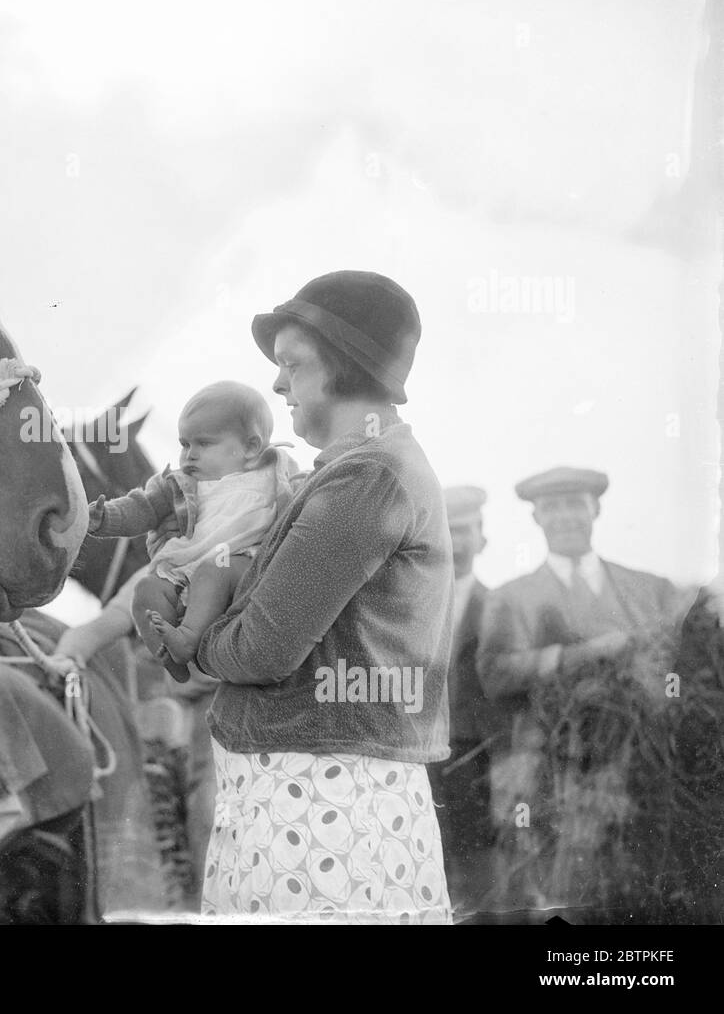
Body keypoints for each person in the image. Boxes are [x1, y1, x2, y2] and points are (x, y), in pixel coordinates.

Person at [188, 270, 454, 923]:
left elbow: (260, 650)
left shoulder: (368, 477)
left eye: (292, 365)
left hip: (322, 822)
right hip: (317, 809)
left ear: (348, 367)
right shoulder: (362, 469)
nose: (277, 385)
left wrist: (197, 635)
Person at [476, 466, 689, 913]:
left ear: (596, 509)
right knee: (558, 895)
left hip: (638, 772)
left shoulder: (649, 589)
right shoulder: (512, 598)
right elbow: (495, 675)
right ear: (536, 517)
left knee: (639, 889)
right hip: (549, 774)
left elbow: (679, 672)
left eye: (575, 504)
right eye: (552, 507)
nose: (565, 516)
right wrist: (579, 654)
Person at [85, 381, 301, 682]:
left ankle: (186, 638)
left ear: (251, 447)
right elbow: (142, 508)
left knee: (215, 569)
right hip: (189, 570)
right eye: (185, 444)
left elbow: (307, 500)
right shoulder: (179, 485)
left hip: (246, 566)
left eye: (204, 444)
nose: (190, 455)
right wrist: (105, 518)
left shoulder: (275, 470)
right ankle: (170, 656)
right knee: (146, 590)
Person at [53, 564, 219, 908]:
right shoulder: (168, 568)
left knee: (211, 811)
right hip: (176, 723)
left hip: (227, 721)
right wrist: (67, 656)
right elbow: (95, 631)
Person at [427, 485, 497, 916]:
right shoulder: (412, 605)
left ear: (483, 539)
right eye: (449, 531)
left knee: (477, 869)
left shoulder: (500, 606)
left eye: (467, 530)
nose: (459, 540)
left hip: (478, 757)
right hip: (419, 753)